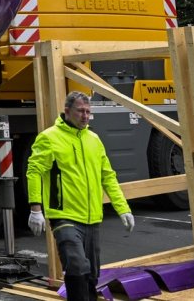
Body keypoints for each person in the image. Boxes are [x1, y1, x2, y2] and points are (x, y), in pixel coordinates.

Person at [26, 91, 134, 301]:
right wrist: (35, 208)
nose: (85, 116)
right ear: (67, 111)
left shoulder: (94, 139)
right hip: (64, 215)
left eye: (88, 112)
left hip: (92, 218)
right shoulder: (49, 138)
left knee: (91, 274)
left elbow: (108, 176)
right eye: (80, 111)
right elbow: (34, 171)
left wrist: (123, 208)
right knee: (76, 264)